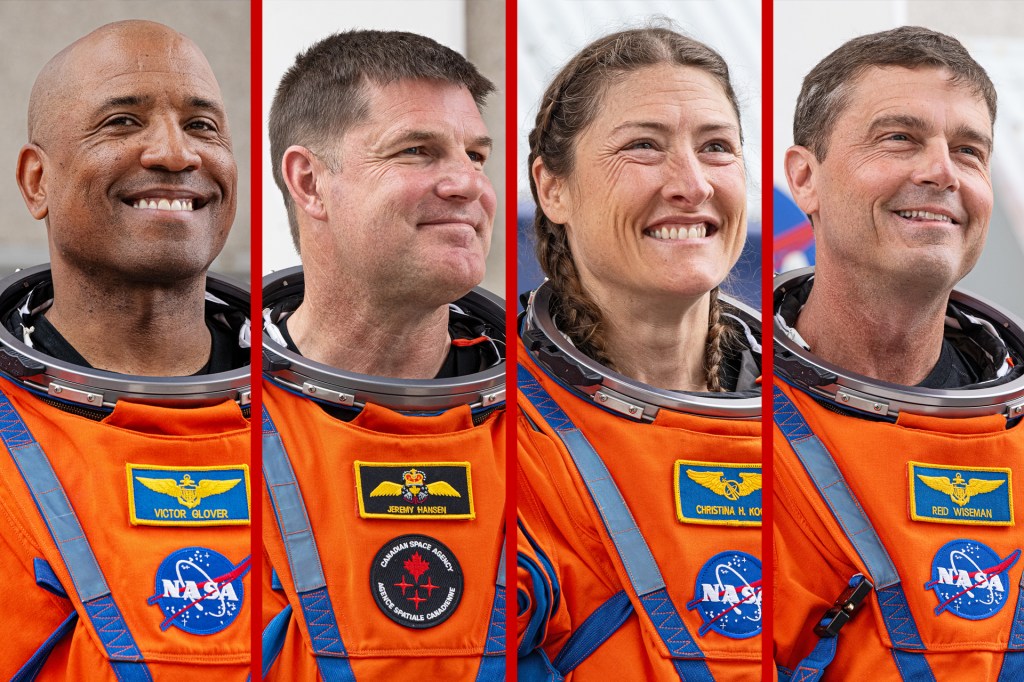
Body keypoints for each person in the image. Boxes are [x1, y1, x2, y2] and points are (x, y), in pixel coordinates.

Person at [0, 20, 251, 681]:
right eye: (121, 122)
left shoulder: (327, 415)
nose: (175, 154)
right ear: (36, 181)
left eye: (203, 127)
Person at [773, 26, 1024, 681]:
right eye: (899, 138)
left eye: (969, 151)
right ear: (806, 178)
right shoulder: (717, 417)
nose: (942, 172)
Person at [516, 26, 762, 681]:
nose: (692, 184)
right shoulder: (482, 419)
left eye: (716, 148)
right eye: (644, 147)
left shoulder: (821, 413)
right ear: (553, 188)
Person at [260, 30, 506, 680]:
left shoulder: (552, 420)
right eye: (417, 151)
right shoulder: (209, 414)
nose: (468, 184)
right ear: (309, 181)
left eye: (477, 155)